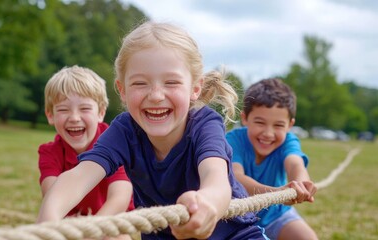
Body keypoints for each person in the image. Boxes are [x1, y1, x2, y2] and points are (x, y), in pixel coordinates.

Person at [37, 21, 268, 240]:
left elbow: (215, 176)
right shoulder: (124, 130)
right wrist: (48, 220)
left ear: (194, 88)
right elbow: (81, 175)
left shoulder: (205, 123)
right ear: (123, 90)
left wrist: (208, 202)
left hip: (233, 235)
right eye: (140, 83)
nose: (156, 95)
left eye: (171, 83)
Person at [226, 78, 318, 240]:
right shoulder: (233, 140)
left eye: (278, 125)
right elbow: (237, 179)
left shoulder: (289, 141)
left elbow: (295, 164)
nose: (268, 133)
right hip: (239, 217)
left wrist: (301, 184)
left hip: (277, 215)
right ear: (245, 118)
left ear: (290, 125)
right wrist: (277, 193)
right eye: (260, 122)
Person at [38, 65, 134, 219]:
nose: (75, 118)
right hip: (72, 222)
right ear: (50, 115)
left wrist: (93, 232)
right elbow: (51, 198)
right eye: (63, 110)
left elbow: (119, 198)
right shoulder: (50, 152)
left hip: (109, 221)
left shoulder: (115, 144)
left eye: (84, 109)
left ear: (101, 113)